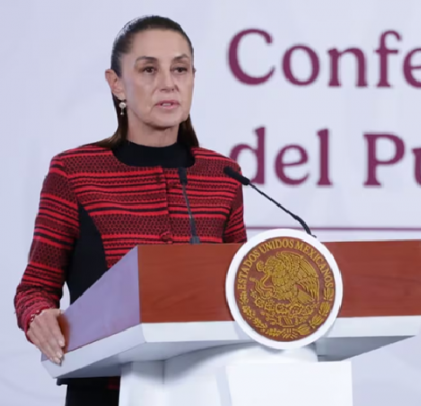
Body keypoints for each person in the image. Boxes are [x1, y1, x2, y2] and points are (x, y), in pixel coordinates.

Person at [13, 15, 247, 406]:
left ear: (193, 78)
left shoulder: (223, 176)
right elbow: (34, 289)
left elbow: (241, 289)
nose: (168, 83)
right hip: (105, 391)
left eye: (180, 69)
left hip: (204, 388)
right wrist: (39, 316)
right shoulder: (74, 172)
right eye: (149, 69)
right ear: (116, 83)